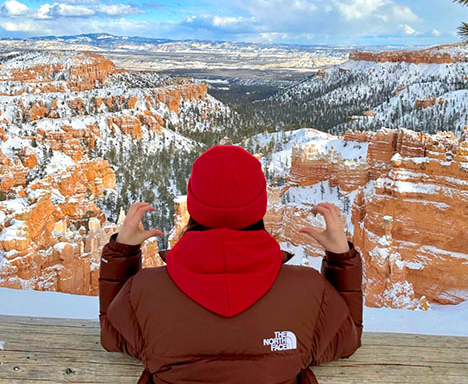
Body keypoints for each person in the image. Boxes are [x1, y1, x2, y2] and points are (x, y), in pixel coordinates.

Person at [99, 144, 363, 384]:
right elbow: (346, 338)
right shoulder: (309, 290)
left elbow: (113, 332)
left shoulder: (145, 291)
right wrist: (341, 258)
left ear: (194, 208)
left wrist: (123, 253)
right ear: (259, 208)